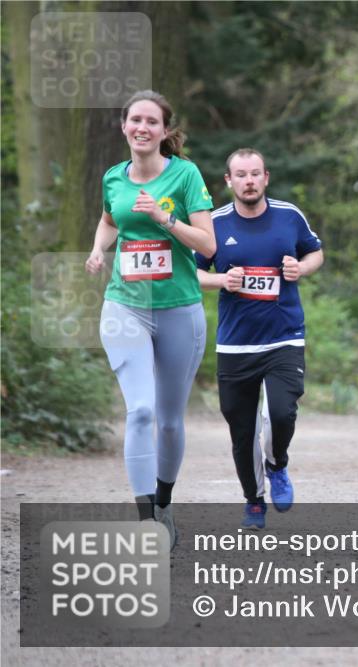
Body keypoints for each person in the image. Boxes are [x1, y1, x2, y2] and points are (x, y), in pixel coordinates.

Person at [85, 90, 216, 549]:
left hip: (179, 306)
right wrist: (98, 249)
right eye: (134, 120)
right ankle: (146, 520)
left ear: (164, 131)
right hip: (125, 306)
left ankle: (164, 502)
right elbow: (109, 220)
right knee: (139, 409)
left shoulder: (185, 175)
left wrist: (165, 219)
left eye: (151, 122)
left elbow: (208, 246)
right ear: (124, 126)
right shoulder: (113, 178)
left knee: (169, 421)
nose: (142, 128)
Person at [195, 148, 323, 530]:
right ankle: (253, 499)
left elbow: (316, 253)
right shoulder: (213, 224)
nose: (248, 181)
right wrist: (221, 280)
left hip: (284, 335)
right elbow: (190, 274)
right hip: (235, 343)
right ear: (228, 181)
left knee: (283, 411)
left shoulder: (289, 215)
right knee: (241, 430)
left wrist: (300, 268)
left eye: (255, 174)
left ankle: (277, 464)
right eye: (241, 175)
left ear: (266, 177)